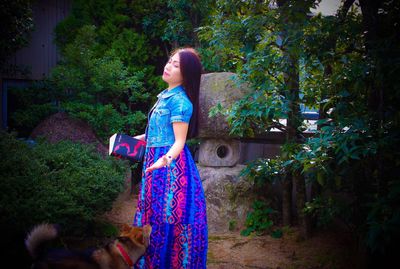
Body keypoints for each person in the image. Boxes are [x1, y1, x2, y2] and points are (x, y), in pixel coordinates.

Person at [132, 47, 208, 268]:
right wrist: (129, 141)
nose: (168, 66)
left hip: (172, 172)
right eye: (170, 61)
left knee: (170, 220)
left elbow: (179, 142)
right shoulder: (165, 96)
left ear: (186, 75)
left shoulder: (181, 102)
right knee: (153, 218)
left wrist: (163, 160)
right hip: (156, 166)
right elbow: (157, 132)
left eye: (176, 65)